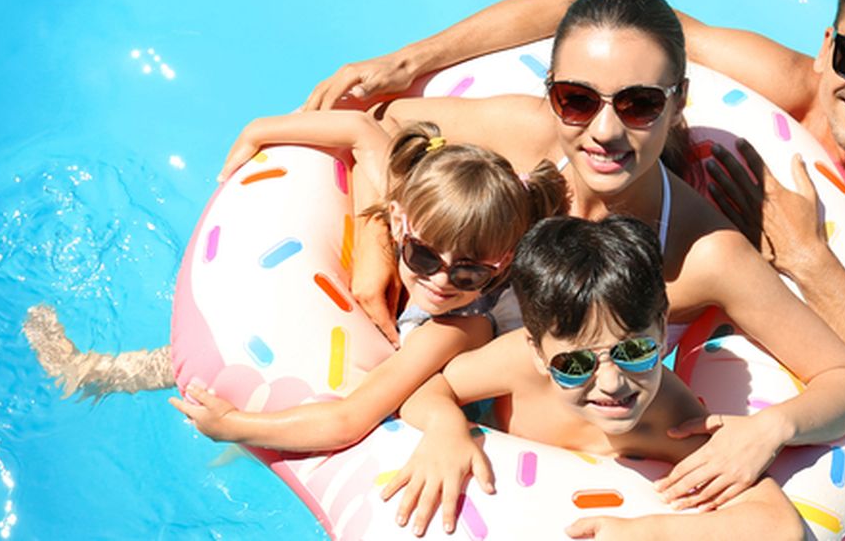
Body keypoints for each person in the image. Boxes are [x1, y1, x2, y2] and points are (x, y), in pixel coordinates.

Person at [307, 0, 845, 448]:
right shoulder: (764, 85)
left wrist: (809, 257)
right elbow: (592, 8)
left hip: (801, 283)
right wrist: (413, 61)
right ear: (828, 47)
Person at [329, 0, 845, 527]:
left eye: (640, 104)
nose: (605, 131)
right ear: (553, 96)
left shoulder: (703, 253)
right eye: (578, 100)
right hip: (449, 380)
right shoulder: (528, 139)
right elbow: (385, 125)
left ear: (678, 100)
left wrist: (770, 429)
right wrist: (377, 255)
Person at [41, 112, 569, 452]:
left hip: (457, 386)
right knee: (199, 353)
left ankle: (93, 372)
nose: (440, 279)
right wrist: (258, 131)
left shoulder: (459, 326)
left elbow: (349, 420)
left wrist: (237, 428)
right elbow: (363, 132)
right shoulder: (419, 211)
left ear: (502, 265)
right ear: (399, 221)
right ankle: (91, 371)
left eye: (469, 270)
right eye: (422, 256)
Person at [393, 215, 807, 540]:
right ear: (539, 353)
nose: (612, 383)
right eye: (575, 366)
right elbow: (428, 388)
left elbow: (778, 524)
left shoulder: (672, 421)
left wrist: (650, 532)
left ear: (662, 333)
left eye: (634, 352)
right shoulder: (518, 362)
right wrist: (445, 427)